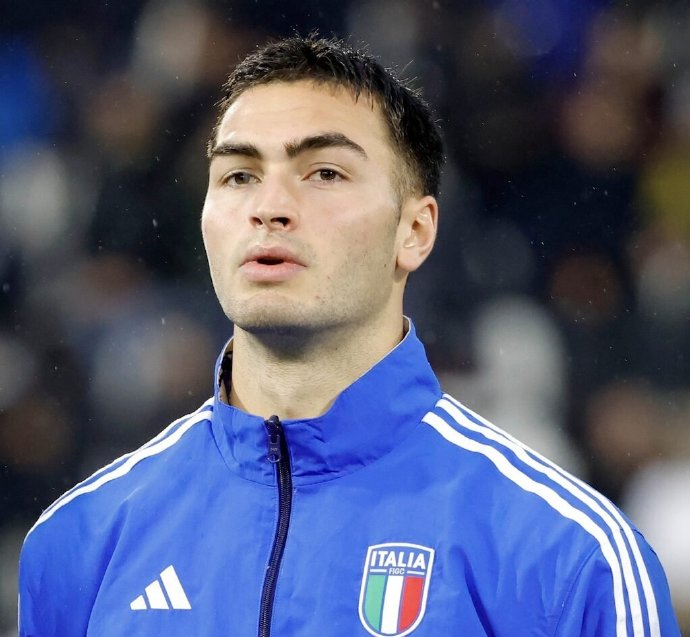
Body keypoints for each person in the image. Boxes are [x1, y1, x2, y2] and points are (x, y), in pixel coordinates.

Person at [18, 35, 679, 637]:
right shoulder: (79, 541)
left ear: (414, 231)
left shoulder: (568, 559)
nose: (269, 206)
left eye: (324, 173)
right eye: (239, 175)